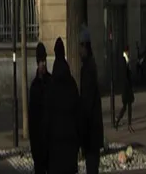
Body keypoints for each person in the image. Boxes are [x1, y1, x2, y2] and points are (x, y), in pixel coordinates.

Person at [46, 38, 80, 174]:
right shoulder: (71, 83)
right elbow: (78, 112)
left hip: (56, 143)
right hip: (70, 141)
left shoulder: (52, 84)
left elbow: (47, 116)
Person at [79, 39, 103, 174]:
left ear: (86, 48)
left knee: (92, 166)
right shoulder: (90, 66)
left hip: (91, 128)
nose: (79, 51)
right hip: (93, 129)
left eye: (81, 47)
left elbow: (87, 102)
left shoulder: (87, 69)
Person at [28, 42, 50, 174]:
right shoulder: (35, 86)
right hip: (39, 140)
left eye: (45, 61)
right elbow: (32, 117)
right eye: (41, 61)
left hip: (49, 140)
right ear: (37, 63)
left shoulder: (50, 81)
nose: (44, 64)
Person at [115, 45, 134, 132]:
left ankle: (127, 124)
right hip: (126, 88)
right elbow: (125, 75)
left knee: (128, 106)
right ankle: (118, 120)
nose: (129, 53)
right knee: (126, 107)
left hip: (127, 87)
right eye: (128, 51)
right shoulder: (124, 60)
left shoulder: (127, 60)